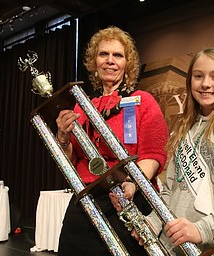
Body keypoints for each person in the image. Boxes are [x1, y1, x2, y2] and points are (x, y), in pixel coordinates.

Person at [131, 48, 214, 255]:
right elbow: (170, 190)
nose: (205, 84)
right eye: (198, 76)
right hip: (173, 247)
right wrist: (153, 221)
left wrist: (201, 229)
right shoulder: (186, 127)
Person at [56, 26, 168, 255]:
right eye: (103, 54)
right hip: (87, 199)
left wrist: (132, 185)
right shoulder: (81, 105)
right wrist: (63, 138)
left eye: (117, 55)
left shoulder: (143, 102)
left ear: (128, 63)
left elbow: (154, 156)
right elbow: (73, 160)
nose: (110, 61)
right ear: (94, 62)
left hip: (129, 197)